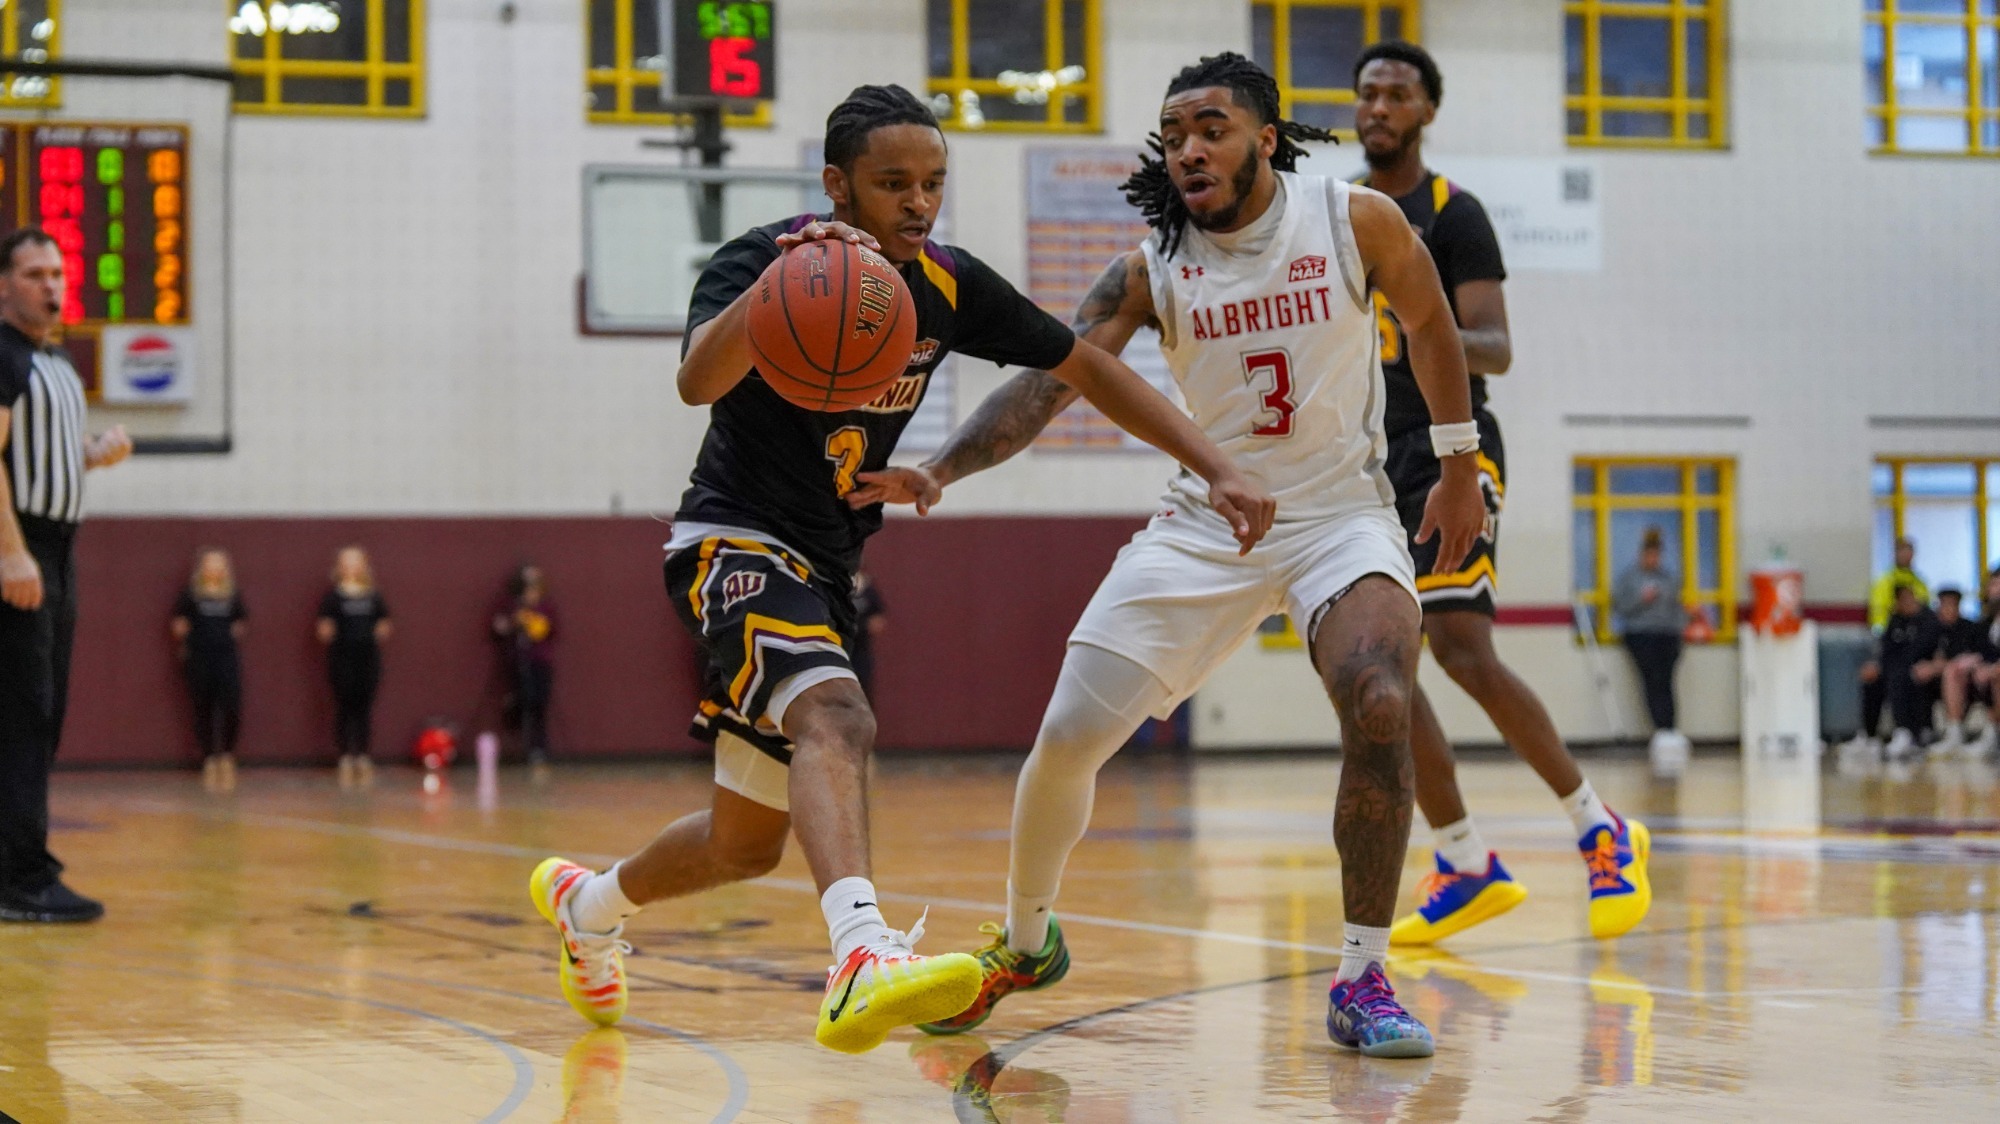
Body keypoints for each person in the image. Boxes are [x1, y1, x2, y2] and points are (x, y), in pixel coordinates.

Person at [527, 84, 1275, 1055]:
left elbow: (1087, 366)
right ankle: (860, 956)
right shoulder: (765, 259)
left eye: (932, 182)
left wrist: (1216, 463)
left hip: (828, 566)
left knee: (741, 846)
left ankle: (586, 905)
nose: (918, 203)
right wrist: (769, 296)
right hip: (729, 540)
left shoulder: (944, 285)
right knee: (838, 714)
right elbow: (693, 382)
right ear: (837, 185)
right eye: (892, 184)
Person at [898, 52, 1491, 1058]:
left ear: (1265, 137)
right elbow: (1051, 378)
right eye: (1171, 135)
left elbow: (1433, 323)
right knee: (1068, 734)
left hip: (1336, 514)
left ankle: (1359, 975)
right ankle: (1027, 938)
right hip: (1202, 524)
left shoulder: (1353, 219)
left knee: (1382, 697)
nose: (1186, 149)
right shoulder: (1147, 266)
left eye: (1208, 127)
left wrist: (1455, 463)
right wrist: (942, 467)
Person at [1334, 41, 1649, 949]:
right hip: (1367, 460)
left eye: (1397, 92)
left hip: (1449, 447)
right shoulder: (1342, 213)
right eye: (1368, 92)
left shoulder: (1453, 215)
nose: (1379, 105)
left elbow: (1496, 346)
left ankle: (1600, 825)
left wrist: (1410, 316)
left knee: (1464, 646)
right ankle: (1466, 859)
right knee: (1376, 669)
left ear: (1428, 110)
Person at [0, 226, 133, 923]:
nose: (50, 284)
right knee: (22, 717)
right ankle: (21, 878)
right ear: (3, 285)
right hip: (23, 550)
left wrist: (90, 453)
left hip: (56, 549)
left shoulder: (51, 359)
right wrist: (10, 552)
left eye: (56, 272)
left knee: (42, 714)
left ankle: (18, 866)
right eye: (32, 272)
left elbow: (38, 454)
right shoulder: (2, 353)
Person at [1613, 527, 1691, 773]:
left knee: (1667, 681)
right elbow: (1622, 607)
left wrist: (1684, 628)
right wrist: (1641, 599)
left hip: (1667, 634)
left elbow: (1678, 608)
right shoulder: (1629, 578)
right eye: (1649, 554)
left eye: (1657, 555)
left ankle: (1670, 728)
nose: (1653, 559)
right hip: (1641, 634)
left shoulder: (1669, 579)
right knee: (1651, 680)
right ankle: (1659, 728)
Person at [172, 548, 248, 792]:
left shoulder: (232, 595)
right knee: (202, 707)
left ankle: (226, 754)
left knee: (231, 706)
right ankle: (209, 757)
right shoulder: (191, 596)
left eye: (218, 564)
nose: (213, 569)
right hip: (199, 657)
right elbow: (179, 623)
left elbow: (241, 621)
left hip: (226, 657)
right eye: (209, 564)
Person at [316, 545, 391, 787]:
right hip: (342, 657)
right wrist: (326, 631)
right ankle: (346, 755)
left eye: (355, 562)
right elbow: (323, 629)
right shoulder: (333, 597)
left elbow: (384, 622)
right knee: (344, 706)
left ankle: (363, 754)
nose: (350, 567)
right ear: (339, 567)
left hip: (367, 657)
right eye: (346, 562)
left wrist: (380, 629)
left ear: (363, 566)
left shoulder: (373, 595)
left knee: (364, 706)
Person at [1866, 584, 1941, 759]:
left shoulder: (1928, 620)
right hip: (1896, 667)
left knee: (1900, 677)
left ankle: (1907, 732)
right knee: (1872, 679)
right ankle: (1869, 735)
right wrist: (1877, 665)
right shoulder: (1895, 620)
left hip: (1922, 668)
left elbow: (1923, 650)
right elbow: (1886, 649)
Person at [493, 563, 557, 764]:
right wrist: (511, 623)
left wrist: (529, 621)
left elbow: (546, 631)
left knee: (539, 703)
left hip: (540, 661)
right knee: (522, 699)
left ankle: (538, 748)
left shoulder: (546, 608)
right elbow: (499, 626)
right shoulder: (512, 607)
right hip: (519, 660)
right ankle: (517, 742)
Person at [1924, 587, 1985, 755]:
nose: (1948, 609)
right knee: (1907, 676)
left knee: (1952, 672)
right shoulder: (1931, 629)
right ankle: (1914, 732)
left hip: (1969, 680)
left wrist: (1942, 665)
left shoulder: (1970, 629)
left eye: (1953, 605)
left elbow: (1976, 657)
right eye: (1945, 605)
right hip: (1934, 681)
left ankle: (1955, 731)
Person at [849, 571, 888, 697]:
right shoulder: (838, 586)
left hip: (861, 652)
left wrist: (861, 627)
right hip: (840, 649)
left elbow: (878, 622)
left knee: (863, 693)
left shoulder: (868, 590)